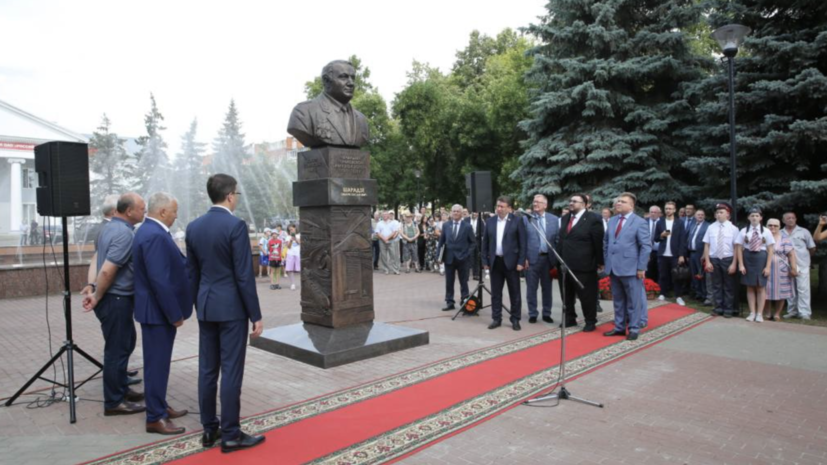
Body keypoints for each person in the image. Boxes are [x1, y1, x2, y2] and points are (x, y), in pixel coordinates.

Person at [185, 174, 265, 453]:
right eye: (237, 195)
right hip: (231, 309)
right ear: (230, 195)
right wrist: (255, 314)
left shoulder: (193, 227)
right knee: (231, 370)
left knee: (207, 370)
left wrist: (197, 305)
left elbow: (191, 273)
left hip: (206, 307)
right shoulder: (235, 226)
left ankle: (210, 430)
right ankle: (231, 433)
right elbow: (244, 275)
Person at [132, 192, 192, 435]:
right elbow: (159, 280)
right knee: (157, 365)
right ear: (163, 212)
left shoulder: (150, 231)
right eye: (175, 211)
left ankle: (160, 406)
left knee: (159, 364)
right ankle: (155, 417)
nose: (177, 216)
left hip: (155, 312)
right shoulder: (154, 235)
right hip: (158, 313)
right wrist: (174, 313)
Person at [81, 193, 146, 416]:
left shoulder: (108, 228)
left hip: (115, 298)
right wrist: (97, 294)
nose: (144, 213)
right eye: (142, 209)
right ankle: (114, 401)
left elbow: (97, 259)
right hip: (115, 299)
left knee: (125, 343)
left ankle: (121, 389)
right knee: (116, 350)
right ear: (129, 211)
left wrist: (92, 285)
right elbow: (108, 269)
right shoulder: (123, 234)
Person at [287, 60, 370, 148]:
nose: (351, 83)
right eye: (343, 77)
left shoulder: (361, 120)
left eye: (352, 78)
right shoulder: (303, 113)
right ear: (326, 81)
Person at [603, 193, 651, 341]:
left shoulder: (639, 222)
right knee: (618, 300)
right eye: (618, 201)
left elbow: (646, 246)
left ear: (631, 206)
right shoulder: (612, 221)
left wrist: (641, 268)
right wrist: (607, 261)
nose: (618, 203)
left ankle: (634, 328)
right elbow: (606, 243)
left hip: (631, 269)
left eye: (622, 202)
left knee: (633, 301)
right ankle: (619, 327)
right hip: (613, 267)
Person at [557, 193, 604, 331]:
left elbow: (598, 242)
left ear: (584, 204)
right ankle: (570, 318)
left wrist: (600, 262)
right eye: (570, 200)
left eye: (575, 201)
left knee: (587, 295)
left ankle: (590, 321)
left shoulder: (593, 219)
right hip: (564, 264)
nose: (571, 203)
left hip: (584, 265)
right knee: (566, 294)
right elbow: (562, 240)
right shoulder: (565, 218)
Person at [481, 196, 526, 331]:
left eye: (502, 206)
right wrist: (485, 261)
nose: (499, 209)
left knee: (514, 293)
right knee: (496, 293)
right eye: (498, 206)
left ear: (509, 208)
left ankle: (515, 319)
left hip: (512, 263)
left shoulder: (517, 221)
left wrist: (521, 262)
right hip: (495, 262)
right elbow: (485, 243)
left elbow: (523, 243)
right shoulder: (490, 221)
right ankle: (496, 318)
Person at [735, 207, 775, 322]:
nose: (754, 218)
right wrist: (741, 264)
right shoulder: (744, 231)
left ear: (761, 218)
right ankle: (752, 312)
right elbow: (738, 248)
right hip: (747, 257)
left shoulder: (766, 231)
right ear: (748, 217)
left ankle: (759, 314)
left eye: (757, 216)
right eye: (752, 215)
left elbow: (770, 249)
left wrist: (767, 267)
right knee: (750, 286)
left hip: (761, 258)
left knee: (761, 286)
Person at [524, 194, 559, 324]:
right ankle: (532, 313)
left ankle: (546, 313)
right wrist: (524, 258)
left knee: (547, 288)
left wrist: (555, 260)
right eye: (534, 202)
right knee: (531, 288)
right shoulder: (527, 219)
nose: (535, 204)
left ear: (545, 205)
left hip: (548, 260)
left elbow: (557, 240)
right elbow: (522, 241)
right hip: (532, 259)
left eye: (538, 202)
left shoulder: (554, 219)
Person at [702, 203, 740, 318]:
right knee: (716, 285)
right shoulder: (711, 227)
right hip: (714, 259)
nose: (719, 214)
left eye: (721, 212)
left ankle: (728, 309)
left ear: (727, 214)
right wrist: (707, 261)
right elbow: (707, 245)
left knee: (728, 285)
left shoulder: (733, 229)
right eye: (717, 212)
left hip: (728, 259)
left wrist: (734, 263)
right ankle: (718, 307)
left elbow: (736, 247)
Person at [437, 204, 476, 311]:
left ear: (461, 213)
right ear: (451, 213)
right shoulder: (446, 225)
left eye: (457, 211)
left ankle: (465, 301)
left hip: (463, 259)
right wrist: (438, 257)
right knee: (449, 281)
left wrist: (466, 254)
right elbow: (441, 242)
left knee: (464, 281)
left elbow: (473, 243)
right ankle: (449, 302)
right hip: (449, 258)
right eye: (453, 211)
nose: (455, 213)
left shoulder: (467, 226)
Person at [782, 212, 817, 320]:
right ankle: (792, 311)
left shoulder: (804, 232)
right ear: (783, 220)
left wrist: (804, 258)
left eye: (793, 218)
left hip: (802, 264)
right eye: (788, 218)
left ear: (796, 219)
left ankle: (804, 312)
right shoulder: (780, 232)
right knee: (790, 289)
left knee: (803, 289)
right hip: (786, 265)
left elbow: (812, 248)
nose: (791, 220)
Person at [654, 201, 687, 306]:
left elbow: (683, 240)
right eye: (666, 208)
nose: (668, 210)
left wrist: (681, 255)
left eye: (670, 208)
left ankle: (678, 296)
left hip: (675, 254)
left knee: (677, 276)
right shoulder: (660, 222)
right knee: (663, 275)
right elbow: (655, 238)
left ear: (674, 210)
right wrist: (661, 235)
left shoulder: (680, 222)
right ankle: (662, 293)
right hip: (662, 254)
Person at [765, 218, 797, 321]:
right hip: (766, 269)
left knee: (782, 292)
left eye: (775, 225)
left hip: (781, 270)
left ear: (779, 227)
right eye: (770, 225)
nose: (772, 227)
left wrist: (793, 268)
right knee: (766, 291)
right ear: (766, 226)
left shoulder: (784, 239)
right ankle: (768, 312)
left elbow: (791, 255)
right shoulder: (762, 237)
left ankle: (777, 314)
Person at [681, 209, 710, 302]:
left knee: (701, 274)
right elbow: (688, 239)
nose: (700, 216)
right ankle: (697, 293)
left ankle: (704, 294)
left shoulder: (707, 226)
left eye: (702, 215)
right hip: (692, 253)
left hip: (701, 254)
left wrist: (704, 255)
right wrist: (687, 254)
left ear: (704, 216)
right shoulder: (693, 225)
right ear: (695, 216)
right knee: (694, 274)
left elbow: (708, 242)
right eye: (698, 215)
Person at [645, 206, 661, 281]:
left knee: (659, 270)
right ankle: (649, 287)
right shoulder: (644, 221)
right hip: (647, 250)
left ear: (659, 213)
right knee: (648, 270)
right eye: (651, 212)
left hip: (660, 250)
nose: (653, 214)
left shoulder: (663, 222)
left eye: (655, 212)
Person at [284, 224, 301, 290]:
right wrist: (291, 239)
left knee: (299, 269)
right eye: (289, 230)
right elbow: (288, 246)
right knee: (290, 269)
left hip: (298, 254)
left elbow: (300, 243)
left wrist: (295, 238)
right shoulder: (287, 237)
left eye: (292, 229)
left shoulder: (299, 235)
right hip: (290, 254)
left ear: (295, 228)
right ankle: (293, 284)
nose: (291, 230)